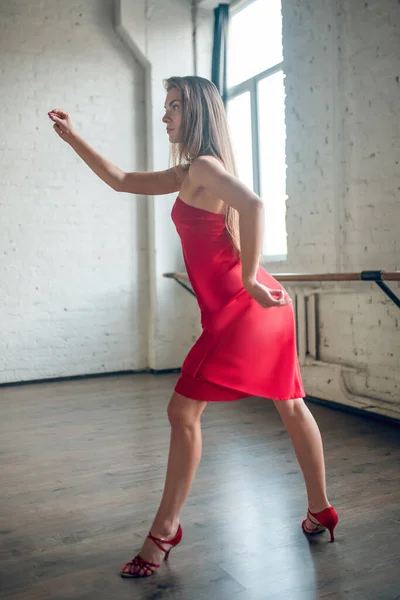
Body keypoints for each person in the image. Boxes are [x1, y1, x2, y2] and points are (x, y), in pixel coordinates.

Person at [48, 75, 338, 579]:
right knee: (290, 406)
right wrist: (73, 137)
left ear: (198, 112)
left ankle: (164, 531)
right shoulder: (189, 173)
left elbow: (254, 205)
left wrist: (248, 278)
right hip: (258, 306)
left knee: (183, 409)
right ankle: (321, 510)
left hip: (246, 306)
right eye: (165, 106)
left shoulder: (205, 167)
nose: (166, 116)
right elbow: (120, 179)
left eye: (175, 107)